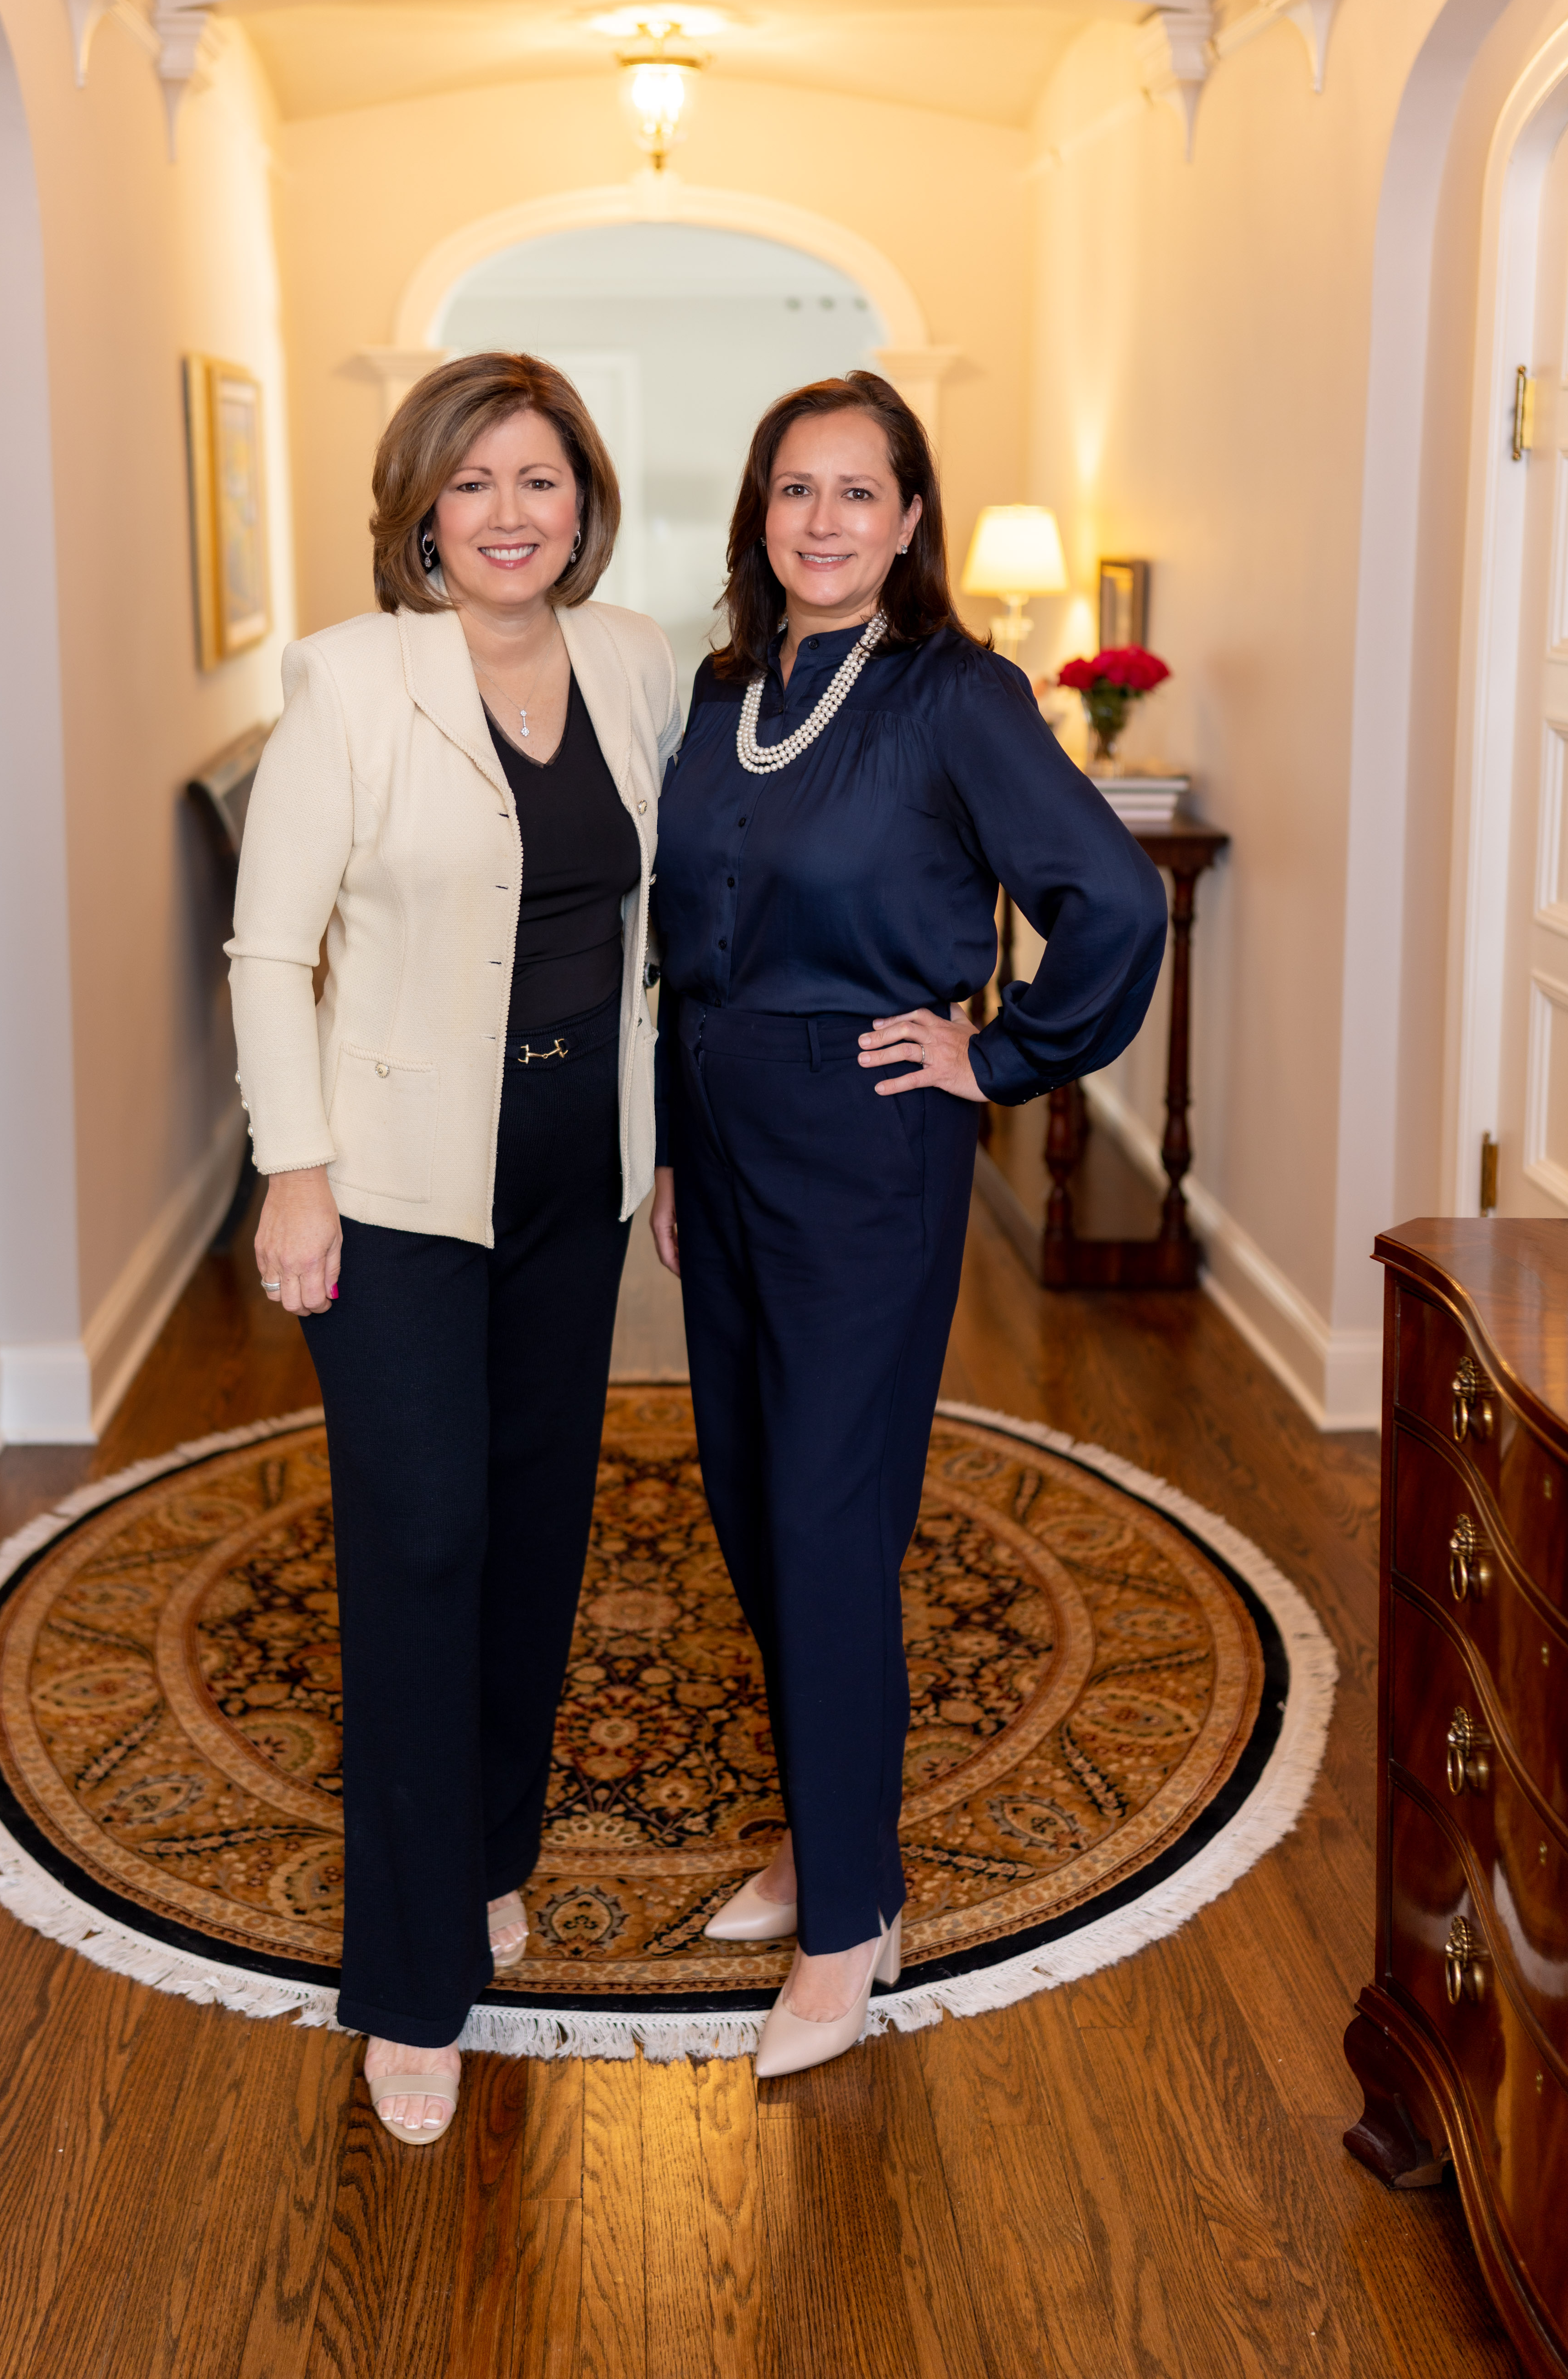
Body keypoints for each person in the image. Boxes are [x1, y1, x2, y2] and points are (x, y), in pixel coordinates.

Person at [648, 371, 1166, 2078]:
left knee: (827, 1508)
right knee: (752, 1501)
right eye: (795, 489)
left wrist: (1000, 1053)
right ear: (760, 512)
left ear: (910, 519)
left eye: (858, 492)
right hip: (720, 1134)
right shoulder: (726, 691)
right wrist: (674, 1149)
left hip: (867, 1141)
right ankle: (829, 1834)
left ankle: (851, 1921)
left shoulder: (959, 695)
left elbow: (1115, 898)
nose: (823, 521)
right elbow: (682, 949)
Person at [228, 353, 680, 2144]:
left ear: (584, 504)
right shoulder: (349, 682)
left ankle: (493, 1854)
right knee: (421, 1544)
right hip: (398, 1186)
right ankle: (412, 1988)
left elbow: (666, 918)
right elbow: (272, 953)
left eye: (539, 479)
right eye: (474, 481)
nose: (508, 512)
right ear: (422, 512)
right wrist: (295, 1171)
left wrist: (674, 1136)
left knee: (537, 1519)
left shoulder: (634, 661)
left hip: (578, 1170)